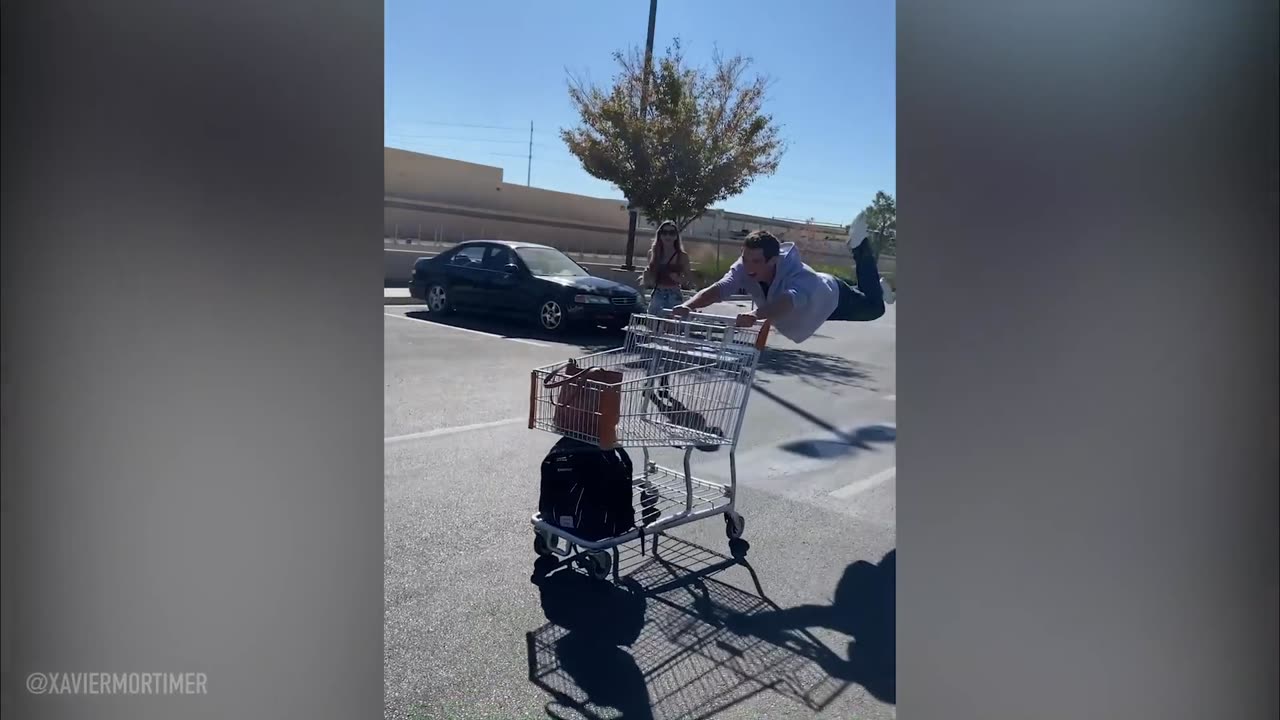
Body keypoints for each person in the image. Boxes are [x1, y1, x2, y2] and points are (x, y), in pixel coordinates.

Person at [672, 212, 894, 343]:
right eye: (745, 258)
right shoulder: (744, 266)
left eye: (756, 262)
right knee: (870, 294)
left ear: (773, 260)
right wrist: (687, 306)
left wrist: (755, 314)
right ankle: (875, 286)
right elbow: (722, 288)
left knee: (875, 309)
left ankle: (859, 246)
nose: (748, 266)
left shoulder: (799, 275)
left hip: (831, 298)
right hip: (813, 303)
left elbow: (787, 301)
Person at [641, 220, 690, 315]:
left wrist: (678, 279)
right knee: (653, 324)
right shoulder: (653, 253)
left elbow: (688, 280)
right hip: (657, 293)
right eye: (664, 233)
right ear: (659, 235)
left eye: (672, 233)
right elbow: (649, 281)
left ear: (676, 236)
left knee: (672, 326)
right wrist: (646, 275)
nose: (668, 236)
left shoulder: (682, 256)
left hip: (674, 294)